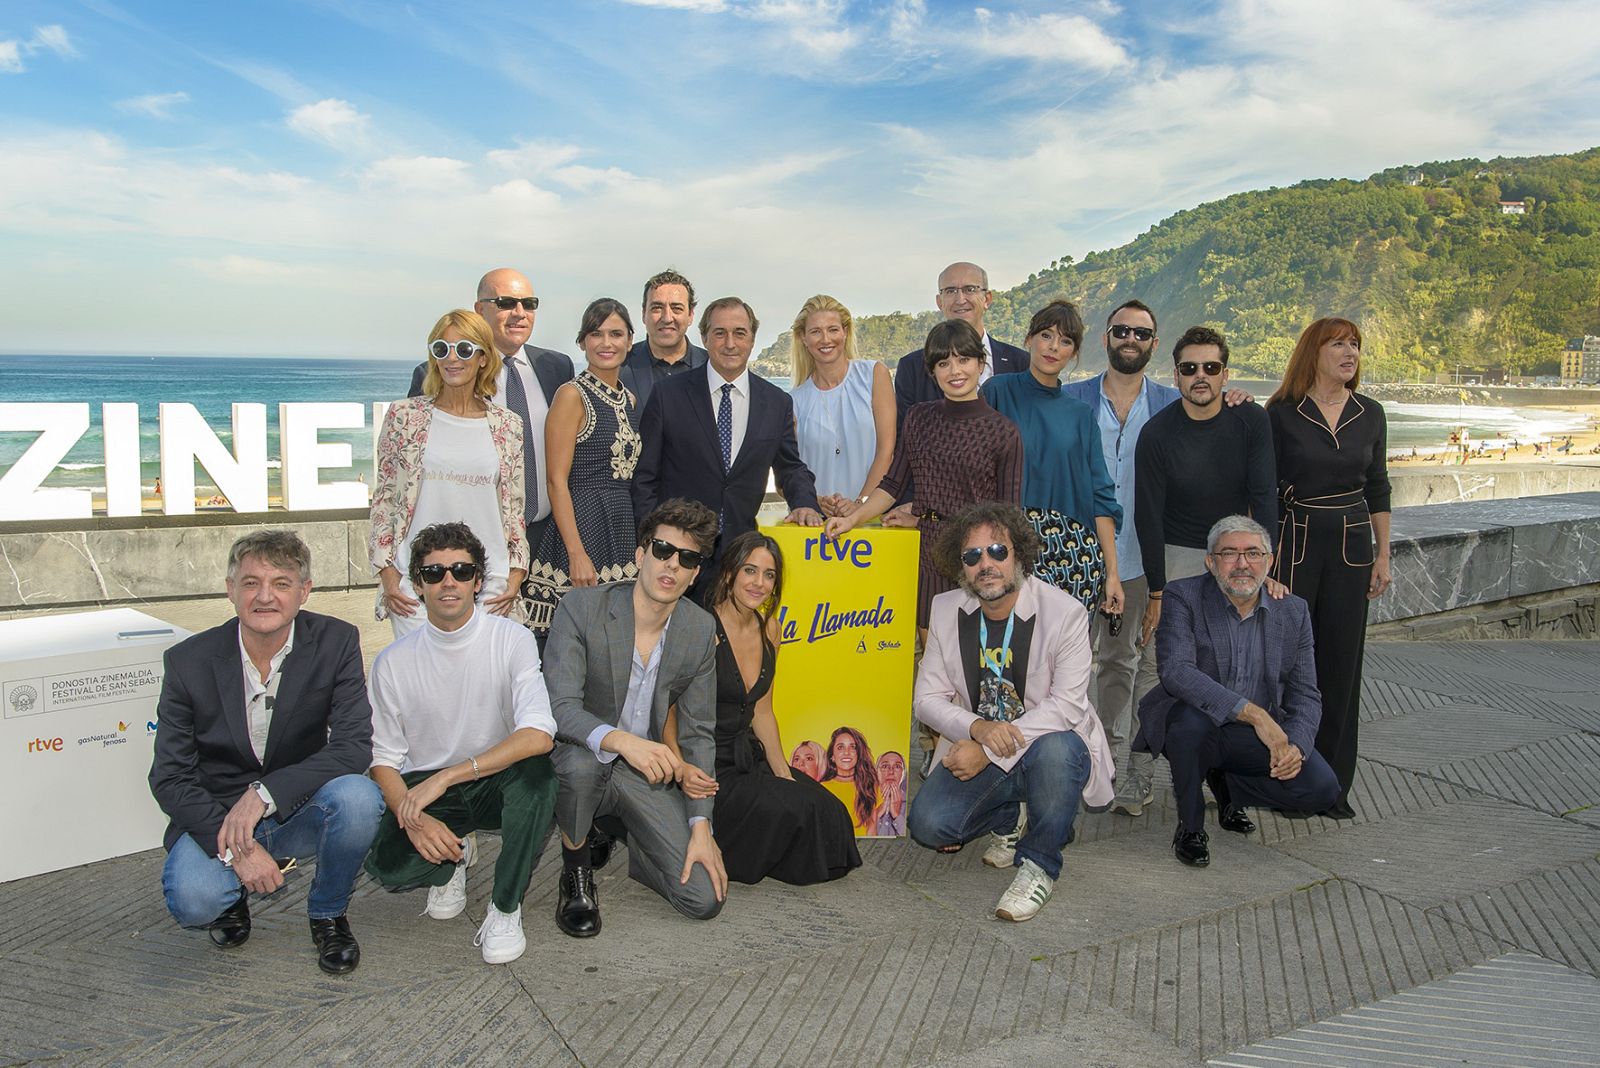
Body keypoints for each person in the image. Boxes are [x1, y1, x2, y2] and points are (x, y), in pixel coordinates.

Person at [149, 531, 382, 974]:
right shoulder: (188, 662)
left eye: (280, 582)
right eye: (251, 582)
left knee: (358, 799)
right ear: (230, 589)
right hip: (217, 817)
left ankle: (328, 912)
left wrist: (263, 794)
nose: (265, 596)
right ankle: (231, 894)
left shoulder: (335, 642)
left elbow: (353, 748)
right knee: (194, 902)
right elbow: (169, 777)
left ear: (304, 591)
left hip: (295, 807)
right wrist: (239, 848)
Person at [908, 502, 1114, 922]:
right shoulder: (946, 609)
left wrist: (987, 750)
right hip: (982, 739)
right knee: (929, 825)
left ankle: (1039, 864)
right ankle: (1009, 818)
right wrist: (977, 728)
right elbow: (926, 699)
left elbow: (1067, 706)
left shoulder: (1065, 613)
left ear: (1019, 553)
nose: (986, 564)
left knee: (1059, 751)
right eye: (972, 556)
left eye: (997, 551)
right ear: (960, 566)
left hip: (1044, 746)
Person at [363, 523, 558, 964]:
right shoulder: (393, 662)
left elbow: (539, 734)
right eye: (434, 573)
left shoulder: (513, 639)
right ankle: (452, 854)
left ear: (477, 581)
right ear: (417, 585)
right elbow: (382, 760)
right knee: (388, 865)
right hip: (427, 787)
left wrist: (450, 775)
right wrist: (412, 820)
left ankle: (505, 908)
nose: (447, 582)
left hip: (493, 780)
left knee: (539, 781)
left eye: (460, 570)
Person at [544, 499, 727, 937]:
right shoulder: (582, 608)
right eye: (663, 551)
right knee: (584, 766)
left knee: (703, 899)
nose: (672, 565)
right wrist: (624, 741)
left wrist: (700, 825)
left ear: (696, 572)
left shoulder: (699, 629)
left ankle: (621, 828)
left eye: (687, 559)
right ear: (641, 554)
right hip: (583, 757)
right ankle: (576, 869)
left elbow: (699, 732)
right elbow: (558, 707)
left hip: (645, 775)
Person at [1134, 516, 1340, 867]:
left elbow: (1306, 693)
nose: (1242, 563)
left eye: (1253, 553)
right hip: (1197, 724)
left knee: (1321, 789)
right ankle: (1191, 825)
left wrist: (1297, 747)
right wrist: (1255, 715)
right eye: (1229, 553)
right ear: (1210, 562)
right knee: (1189, 723)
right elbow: (1177, 672)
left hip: (1249, 739)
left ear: (1270, 561)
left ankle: (1227, 784)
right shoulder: (1183, 596)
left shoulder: (1293, 610)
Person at [1133, 326, 1278, 786]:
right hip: (1177, 555)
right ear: (1174, 376)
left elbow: (1264, 497)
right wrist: (1157, 590)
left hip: (1235, 553)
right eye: (1190, 368)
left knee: (1234, 664)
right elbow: (1148, 517)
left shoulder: (1249, 421)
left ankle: (1222, 780)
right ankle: (1135, 778)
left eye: (1211, 368)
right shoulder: (1157, 433)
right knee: (1157, 667)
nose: (1201, 376)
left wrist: (1264, 563)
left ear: (1225, 374)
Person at [675, 529, 861, 883]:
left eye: (769, 574)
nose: (759, 582)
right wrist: (682, 770)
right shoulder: (700, 626)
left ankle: (758, 841)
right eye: (750, 570)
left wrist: (783, 774)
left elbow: (762, 712)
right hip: (709, 765)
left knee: (830, 812)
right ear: (729, 573)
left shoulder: (769, 628)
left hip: (749, 757)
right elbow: (670, 709)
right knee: (799, 811)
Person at [1266, 318, 1392, 820]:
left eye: (1355, 345)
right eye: (1338, 343)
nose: (1349, 352)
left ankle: (1333, 785)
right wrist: (1264, 560)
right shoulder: (1280, 414)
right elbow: (1264, 490)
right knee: (1290, 666)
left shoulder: (1372, 413)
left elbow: (1378, 486)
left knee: (1341, 665)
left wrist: (1383, 554)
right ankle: (1286, 778)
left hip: (1352, 547)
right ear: (1312, 353)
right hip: (1295, 545)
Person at [826, 319, 1023, 632]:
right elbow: (892, 485)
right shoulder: (919, 418)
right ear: (933, 371)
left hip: (979, 560)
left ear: (980, 363)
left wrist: (1002, 573)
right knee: (933, 662)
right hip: (928, 554)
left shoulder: (1003, 432)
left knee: (975, 667)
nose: (955, 371)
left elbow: (1010, 516)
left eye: (964, 360)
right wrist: (854, 519)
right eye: (944, 363)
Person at [634, 296, 823, 597]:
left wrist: (805, 503)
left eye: (739, 333)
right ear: (704, 338)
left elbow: (789, 466)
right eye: (720, 333)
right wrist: (653, 544)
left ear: (752, 339)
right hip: (677, 556)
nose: (730, 343)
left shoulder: (776, 402)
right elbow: (644, 478)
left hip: (739, 556)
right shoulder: (668, 396)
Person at [371, 309, 527, 639]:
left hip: (490, 586)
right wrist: (387, 574)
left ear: (484, 357)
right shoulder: (404, 417)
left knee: (490, 686)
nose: (452, 358)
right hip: (419, 585)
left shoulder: (507, 425)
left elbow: (514, 509)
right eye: (442, 349)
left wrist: (515, 574)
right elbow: (384, 500)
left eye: (464, 349)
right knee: (424, 686)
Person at [408, 269, 576, 553]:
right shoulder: (440, 374)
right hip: (473, 538)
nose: (519, 313)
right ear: (479, 309)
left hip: (547, 534)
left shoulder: (557, 367)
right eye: (506, 303)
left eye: (529, 304)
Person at [983, 299, 1124, 615]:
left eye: (1065, 341)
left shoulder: (1081, 415)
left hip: (1073, 554)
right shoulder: (997, 392)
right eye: (1046, 335)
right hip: (1008, 546)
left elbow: (1102, 497)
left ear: (1073, 354)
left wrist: (1112, 574)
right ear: (1029, 338)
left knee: (1066, 661)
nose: (1053, 347)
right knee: (1007, 656)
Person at [525, 298, 644, 634]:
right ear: (582, 342)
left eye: (616, 334)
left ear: (630, 341)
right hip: (581, 528)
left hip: (620, 530)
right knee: (571, 644)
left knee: (613, 645)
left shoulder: (629, 399)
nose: (606, 343)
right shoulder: (571, 395)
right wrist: (576, 552)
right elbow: (556, 481)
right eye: (596, 334)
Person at [788, 294, 895, 517]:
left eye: (833, 329)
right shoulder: (793, 401)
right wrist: (813, 501)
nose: (826, 339)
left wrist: (861, 504)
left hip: (871, 521)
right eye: (816, 331)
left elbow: (887, 451)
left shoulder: (874, 375)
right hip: (815, 526)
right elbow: (786, 472)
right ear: (803, 339)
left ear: (845, 332)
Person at [893, 261, 1028, 426]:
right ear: (939, 301)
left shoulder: (1021, 364)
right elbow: (904, 438)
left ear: (987, 298)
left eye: (970, 289)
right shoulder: (912, 368)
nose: (960, 299)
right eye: (950, 291)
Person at [619, 269, 708, 412]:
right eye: (657, 308)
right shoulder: (619, 367)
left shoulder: (712, 366)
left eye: (676, 308)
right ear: (643, 314)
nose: (667, 318)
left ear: (691, 315)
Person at [820, 726, 878, 834]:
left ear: (859, 754)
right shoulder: (821, 789)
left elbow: (872, 830)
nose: (847, 752)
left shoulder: (871, 787)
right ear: (832, 756)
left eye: (853, 747)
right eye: (840, 747)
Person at [873, 751, 907, 836]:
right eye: (885, 766)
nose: (891, 771)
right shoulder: (864, 800)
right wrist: (876, 815)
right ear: (877, 772)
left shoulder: (910, 801)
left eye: (897, 766)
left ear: (903, 773)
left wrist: (897, 815)